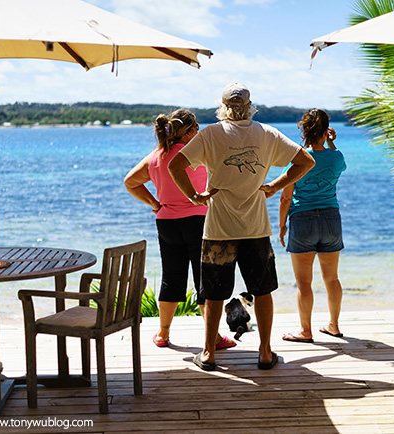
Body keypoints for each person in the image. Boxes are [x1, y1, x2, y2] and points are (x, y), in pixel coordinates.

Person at [168, 83, 315, 371]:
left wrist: (194, 196)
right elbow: (305, 161)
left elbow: (175, 166)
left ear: (222, 106)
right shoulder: (267, 133)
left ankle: (208, 353)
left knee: (214, 293)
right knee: (262, 291)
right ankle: (264, 351)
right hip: (256, 228)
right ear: (250, 106)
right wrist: (275, 185)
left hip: (219, 229)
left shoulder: (210, 134)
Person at [124, 108, 236, 350]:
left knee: (171, 277)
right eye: (196, 130)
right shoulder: (196, 155)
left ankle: (163, 334)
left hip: (166, 223)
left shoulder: (156, 155)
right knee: (204, 278)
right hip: (198, 221)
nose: (199, 134)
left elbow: (130, 181)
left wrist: (155, 203)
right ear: (189, 132)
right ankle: (213, 337)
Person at [279, 108, 347, 343]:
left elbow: (286, 196)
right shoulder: (337, 157)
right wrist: (331, 144)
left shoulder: (299, 160)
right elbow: (335, 162)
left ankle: (306, 331)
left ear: (305, 130)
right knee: (332, 278)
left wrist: (281, 226)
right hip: (331, 218)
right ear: (326, 130)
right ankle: (334, 326)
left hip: (303, 219)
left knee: (304, 283)